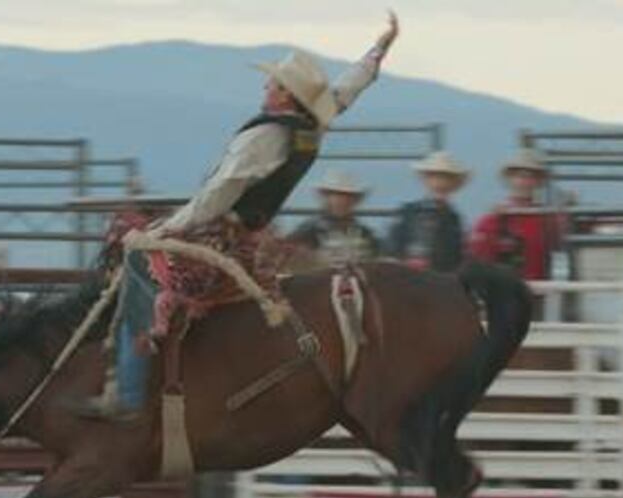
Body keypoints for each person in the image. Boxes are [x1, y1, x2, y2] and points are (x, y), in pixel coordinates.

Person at [76, 13, 400, 421]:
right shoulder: (311, 124)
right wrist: (378, 50)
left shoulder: (266, 136)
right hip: (249, 235)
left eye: (274, 83)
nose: (266, 86)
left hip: (218, 234)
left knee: (139, 264)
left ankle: (126, 389)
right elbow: (346, 90)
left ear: (286, 95)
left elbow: (222, 189)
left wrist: (171, 226)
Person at [469, 148, 563, 280]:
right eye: (518, 176)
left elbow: (562, 242)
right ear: (509, 179)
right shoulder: (492, 219)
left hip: (537, 290)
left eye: (530, 176)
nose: (523, 182)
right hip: (504, 291)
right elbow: (479, 255)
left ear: (538, 182)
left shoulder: (547, 218)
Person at [386, 150, 468, 273]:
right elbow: (392, 248)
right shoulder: (408, 213)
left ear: (453, 184)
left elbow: (457, 255)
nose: (440, 182)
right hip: (409, 278)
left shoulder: (454, 218)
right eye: (435, 176)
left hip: (442, 281)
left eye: (446, 177)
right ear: (426, 180)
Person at [284, 170, 380, 271]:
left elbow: (376, 265)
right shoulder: (308, 232)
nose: (342, 201)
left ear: (355, 201)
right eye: (337, 196)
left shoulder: (366, 234)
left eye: (347, 197)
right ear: (326, 198)